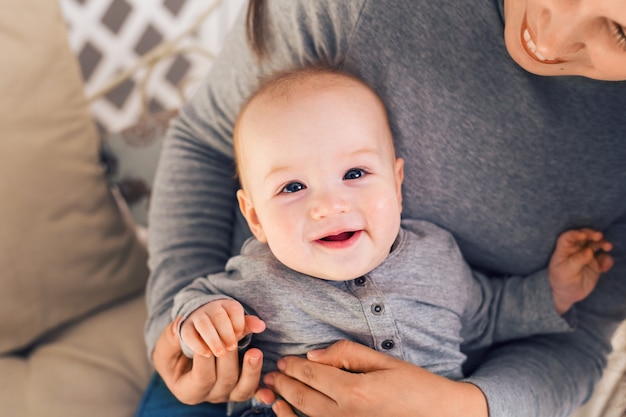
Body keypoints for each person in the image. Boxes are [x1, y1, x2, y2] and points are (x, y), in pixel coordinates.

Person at [137, 1, 626, 416]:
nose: (553, 35)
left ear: (398, 178)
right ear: (255, 217)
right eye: (292, 188)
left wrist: (549, 298)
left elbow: (492, 312)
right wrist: (188, 332)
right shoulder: (254, 283)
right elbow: (197, 301)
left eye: (621, 30)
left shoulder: (439, 260)